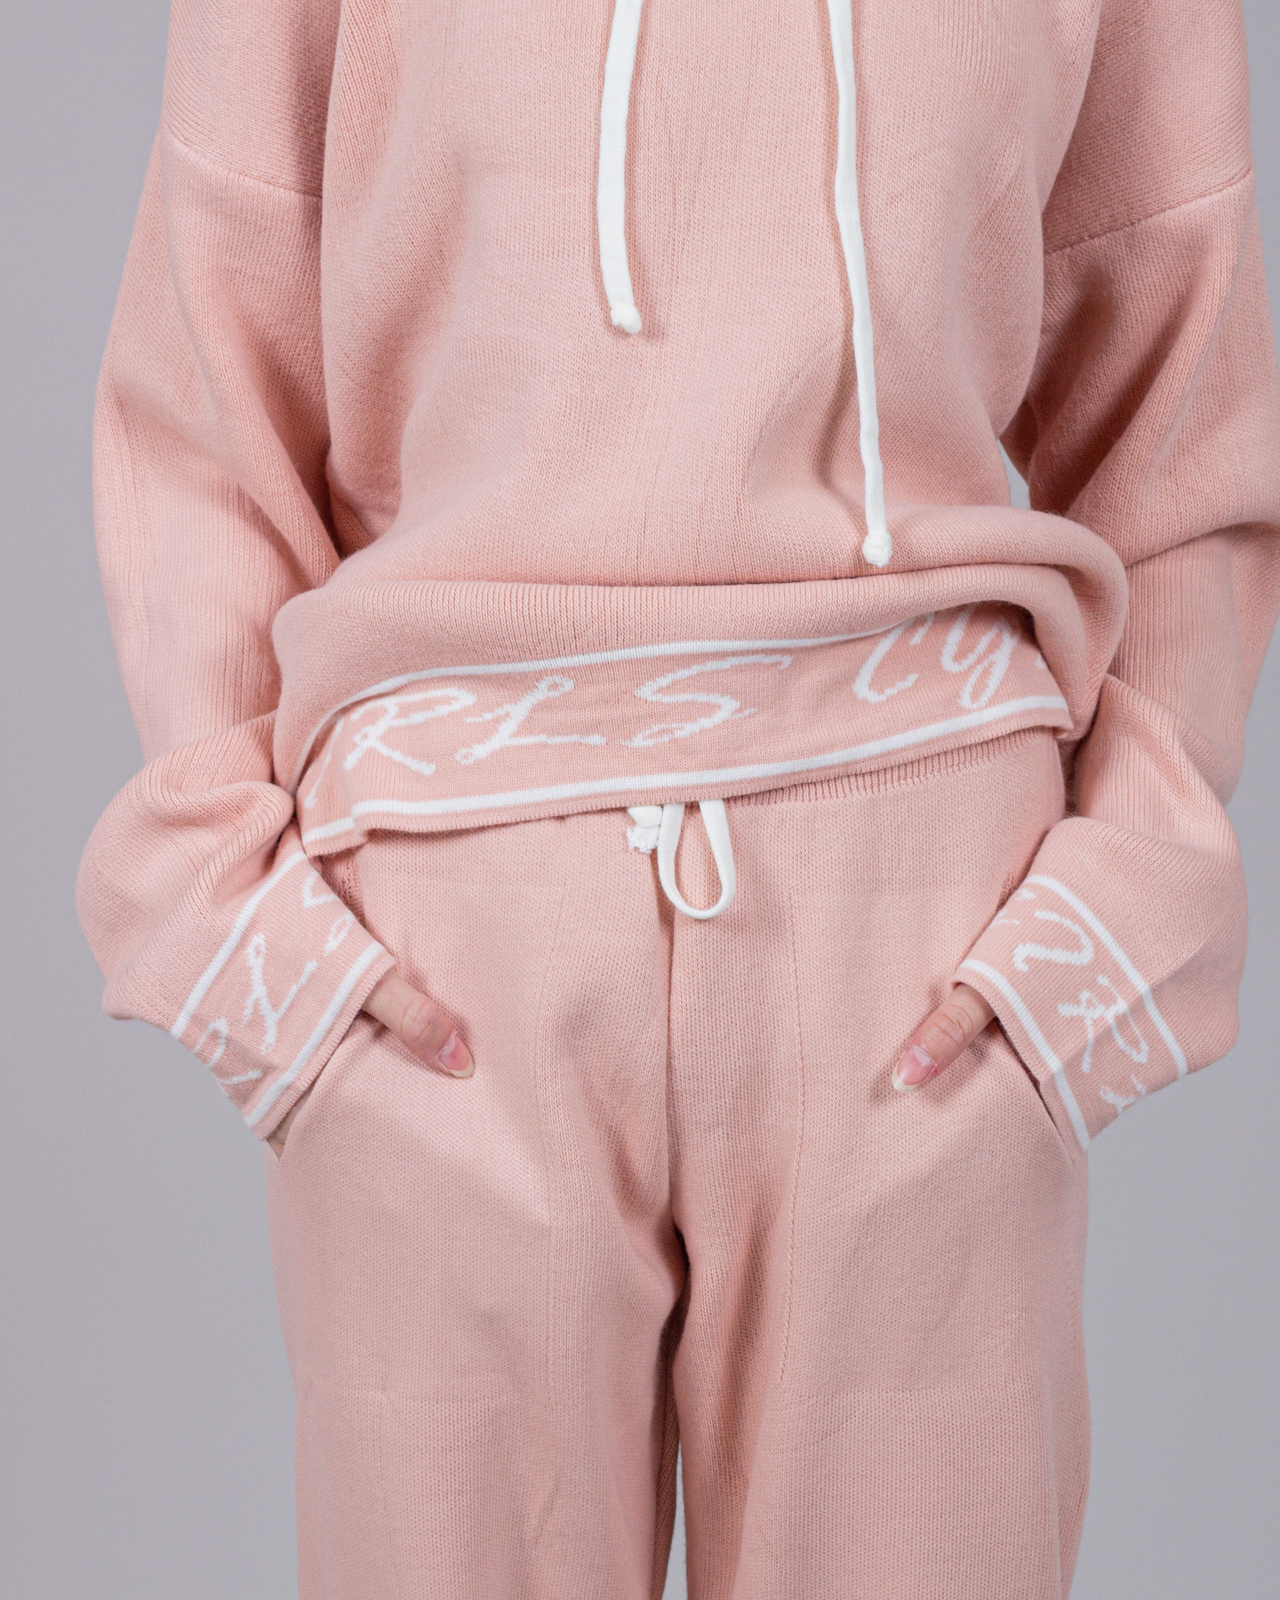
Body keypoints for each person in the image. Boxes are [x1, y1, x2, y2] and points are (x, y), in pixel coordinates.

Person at [78, 0, 1280, 1594]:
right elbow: (208, 376)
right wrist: (252, 938)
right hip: (445, 937)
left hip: (921, 932)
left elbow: (1184, 384)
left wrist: (1108, 916)